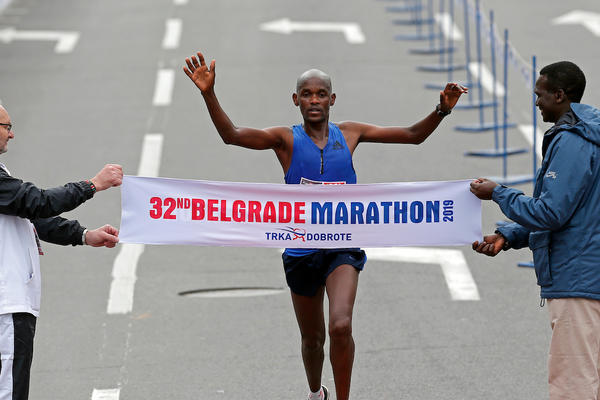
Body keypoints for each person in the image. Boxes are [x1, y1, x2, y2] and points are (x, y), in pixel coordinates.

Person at [183, 51, 467, 400]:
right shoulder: (284, 140)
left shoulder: (349, 134)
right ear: (296, 100)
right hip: (301, 251)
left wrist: (442, 109)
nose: (314, 100)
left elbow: (412, 135)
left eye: (320, 94)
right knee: (312, 339)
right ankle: (317, 392)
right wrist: (208, 93)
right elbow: (233, 135)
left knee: (341, 325)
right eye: (306, 94)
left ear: (332, 99)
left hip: (342, 248)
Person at [470, 61, 600, 399]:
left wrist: (499, 193)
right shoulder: (590, 131)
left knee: (575, 385)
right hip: (590, 273)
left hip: (579, 281)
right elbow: (578, 213)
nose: (536, 102)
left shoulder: (573, 141)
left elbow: (552, 212)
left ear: (560, 95)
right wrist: (510, 235)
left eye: (540, 95)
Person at [0, 104, 123, 400]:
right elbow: (36, 202)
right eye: (6, 126)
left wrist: (83, 235)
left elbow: (28, 216)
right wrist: (92, 185)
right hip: (6, 305)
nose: (12, 134)